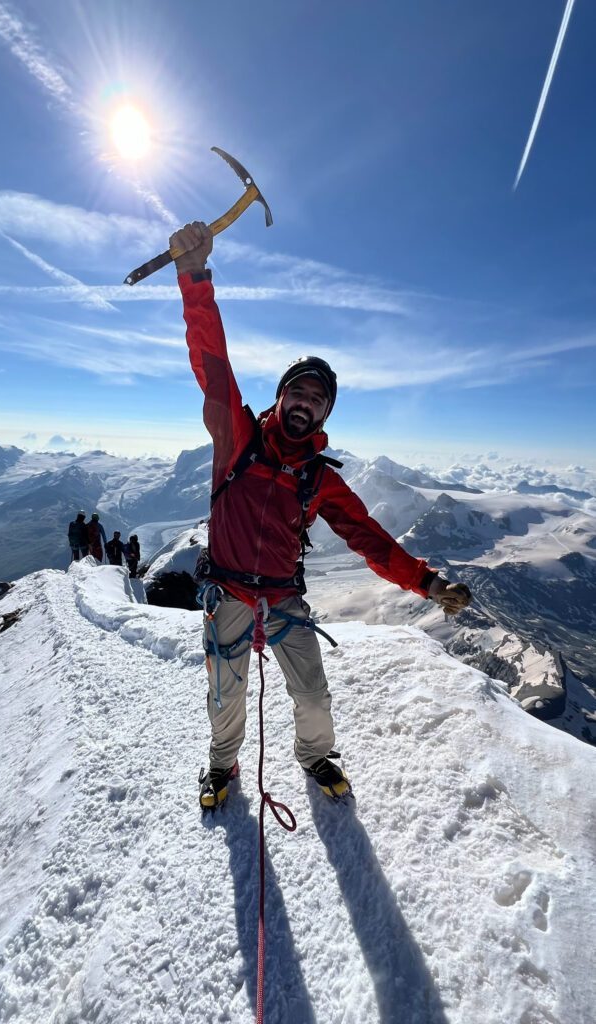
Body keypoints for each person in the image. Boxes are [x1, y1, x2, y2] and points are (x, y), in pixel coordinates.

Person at [171, 221, 472, 810]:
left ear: (324, 413)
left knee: (312, 693)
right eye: (299, 393)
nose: (306, 403)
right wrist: (195, 276)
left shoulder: (319, 478)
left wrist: (428, 583)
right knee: (225, 695)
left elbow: (370, 539)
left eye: (317, 399)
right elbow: (213, 363)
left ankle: (315, 756)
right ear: (280, 398)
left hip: (283, 597)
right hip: (230, 592)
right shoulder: (237, 438)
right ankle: (221, 765)